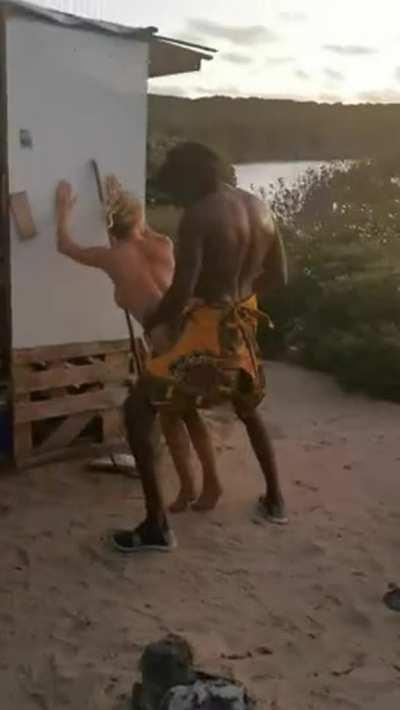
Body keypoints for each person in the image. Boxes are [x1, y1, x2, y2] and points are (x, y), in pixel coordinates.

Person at [110, 142, 289, 554]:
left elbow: (181, 291)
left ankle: (156, 526)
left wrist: (156, 320)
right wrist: (239, 299)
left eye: (178, 190)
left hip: (207, 330)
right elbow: (278, 276)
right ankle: (276, 500)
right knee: (247, 407)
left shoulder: (200, 214)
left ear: (191, 180)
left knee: (137, 409)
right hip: (241, 325)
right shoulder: (259, 207)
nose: (178, 200)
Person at [55, 176, 220, 512]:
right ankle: (203, 485)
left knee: (173, 417)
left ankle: (193, 488)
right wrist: (118, 198)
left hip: (165, 347)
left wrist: (62, 210)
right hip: (192, 336)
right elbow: (141, 229)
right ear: (138, 218)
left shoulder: (110, 257)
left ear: (111, 226)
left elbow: (65, 246)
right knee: (187, 414)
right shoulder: (163, 244)